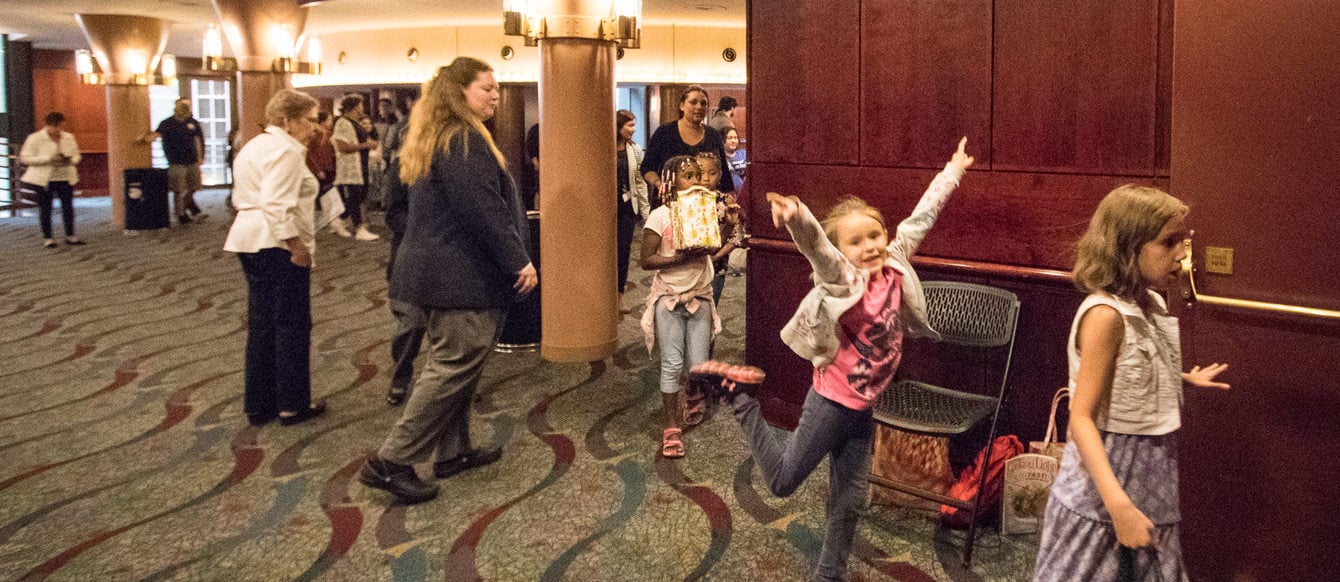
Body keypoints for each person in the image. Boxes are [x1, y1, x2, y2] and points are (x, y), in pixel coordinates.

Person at [691, 138, 976, 581]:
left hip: (863, 409)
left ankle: (830, 574)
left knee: (849, 502)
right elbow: (818, 248)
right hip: (831, 403)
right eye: (857, 241)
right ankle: (743, 399)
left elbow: (921, 218)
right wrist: (796, 217)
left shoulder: (897, 264)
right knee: (782, 482)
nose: (870, 246)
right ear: (845, 252)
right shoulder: (843, 279)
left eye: (875, 235)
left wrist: (953, 170)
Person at [360, 57, 536, 505]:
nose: (495, 95)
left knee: (461, 364)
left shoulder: (443, 135)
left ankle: (452, 452)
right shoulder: (462, 140)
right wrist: (519, 260)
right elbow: (482, 210)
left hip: (437, 272)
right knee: (454, 364)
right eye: (486, 88)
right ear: (459, 93)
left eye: (496, 88)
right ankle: (391, 461)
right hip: (458, 276)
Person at [1032, 185, 1230, 581]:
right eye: (1169, 242)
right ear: (1127, 247)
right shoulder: (1106, 316)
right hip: (1109, 473)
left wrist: (1184, 378)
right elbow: (1081, 418)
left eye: (1183, 241)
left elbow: (1135, 370)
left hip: (1152, 470)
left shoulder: (1151, 303)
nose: (1182, 254)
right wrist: (1118, 505)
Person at [223, 89, 328, 427]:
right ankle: (292, 404)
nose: (315, 128)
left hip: (248, 239)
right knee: (292, 325)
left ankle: (259, 403)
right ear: (289, 121)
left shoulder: (255, 145)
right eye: (310, 121)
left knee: (262, 324)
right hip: (276, 243)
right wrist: (297, 247)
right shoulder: (286, 151)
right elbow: (276, 204)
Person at [640, 155, 720, 459]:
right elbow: (646, 260)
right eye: (688, 176)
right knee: (672, 364)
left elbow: (713, 248)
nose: (697, 181)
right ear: (672, 183)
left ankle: (693, 390)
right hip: (669, 297)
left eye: (698, 175)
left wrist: (727, 227)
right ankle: (671, 425)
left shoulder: (704, 211)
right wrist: (680, 258)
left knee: (697, 365)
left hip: (699, 295)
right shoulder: (660, 216)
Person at [382, 97, 424, 406]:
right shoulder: (399, 169)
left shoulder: (447, 166)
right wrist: (422, 228)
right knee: (409, 325)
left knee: (446, 329)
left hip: (443, 259)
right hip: (409, 258)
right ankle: (400, 377)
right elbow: (392, 214)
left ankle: (446, 386)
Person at [640, 85, 734, 208]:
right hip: (670, 203)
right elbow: (647, 167)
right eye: (693, 102)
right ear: (682, 105)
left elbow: (724, 173)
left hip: (704, 206)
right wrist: (659, 184)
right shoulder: (665, 132)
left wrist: (729, 200)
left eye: (703, 103)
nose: (699, 107)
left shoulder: (712, 135)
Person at [20, 112, 83, 248]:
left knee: (68, 207)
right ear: (48, 125)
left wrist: (71, 160)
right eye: (56, 127)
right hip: (44, 179)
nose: (59, 130)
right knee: (46, 208)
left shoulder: (68, 137)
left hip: (65, 177)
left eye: (62, 127)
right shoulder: (35, 138)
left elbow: (77, 155)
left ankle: (70, 235)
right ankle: (48, 238)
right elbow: (25, 158)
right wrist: (48, 159)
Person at [142, 98, 207, 224]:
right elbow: (155, 136)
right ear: (176, 111)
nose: (184, 114)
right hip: (176, 162)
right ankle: (180, 214)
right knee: (179, 189)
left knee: (194, 186)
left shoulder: (192, 123)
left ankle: (188, 205)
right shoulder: (166, 123)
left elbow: (197, 140)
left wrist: (200, 157)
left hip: (192, 160)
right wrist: (145, 138)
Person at [693, 151, 743, 306]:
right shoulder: (687, 201)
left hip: (716, 267)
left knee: (709, 310)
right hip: (689, 267)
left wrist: (716, 257)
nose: (706, 178)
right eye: (700, 173)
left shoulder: (726, 202)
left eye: (712, 173)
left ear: (720, 175)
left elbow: (736, 235)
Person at [331, 94, 380, 241]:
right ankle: (358, 228)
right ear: (353, 106)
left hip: (361, 164)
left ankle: (339, 221)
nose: (362, 109)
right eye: (360, 105)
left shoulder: (355, 123)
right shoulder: (342, 123)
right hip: (350, 167)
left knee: (359, 195)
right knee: (354, 196)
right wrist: (366, 145)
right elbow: (342, 147)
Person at [616, 109, 650, 313]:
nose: (633, 129)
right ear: (618, 127)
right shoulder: (602, 147)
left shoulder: (635, 150)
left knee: (623, 253)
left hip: (628, 208)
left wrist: (646, 212)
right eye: (629, 125)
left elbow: (639, 182)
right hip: (607, 210)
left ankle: (618, 300)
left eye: (634, 125)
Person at [306, 112, 337, 195]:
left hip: (328, 167)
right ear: (323, 121)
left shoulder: (328, 133)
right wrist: (317, 170)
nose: (331, 122)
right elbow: (309, 153)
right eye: (329, 119)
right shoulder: (315, 134)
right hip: (320, 168)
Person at [722, 126, 747, 192]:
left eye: (735, 138)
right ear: (723, 140)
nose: (733, 141)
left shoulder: (744, 153)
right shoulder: (721, 158)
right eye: (730, 138)